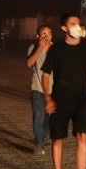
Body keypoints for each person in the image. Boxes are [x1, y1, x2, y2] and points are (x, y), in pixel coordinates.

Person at [42, 13, 86, 169]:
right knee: (58, 138)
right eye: (73, 24)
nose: (77, 26)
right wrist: (47, 98)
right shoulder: (57, 49)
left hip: (81, 99)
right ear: (64, 28)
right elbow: (45, 74)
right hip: (60, 99)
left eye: (79, 23)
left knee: (83, 136)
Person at [26, 25, 53, 155]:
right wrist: (40, 48)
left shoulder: (56, 48)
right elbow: (29, 63)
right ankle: (38, 143)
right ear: (38, 36)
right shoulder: (33, 48)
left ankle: (45, 135)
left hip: (54, 89)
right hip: (37, 88)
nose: (46, 36)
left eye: (49, 33)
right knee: (38, 115)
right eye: (43, 34)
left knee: (51, 118)